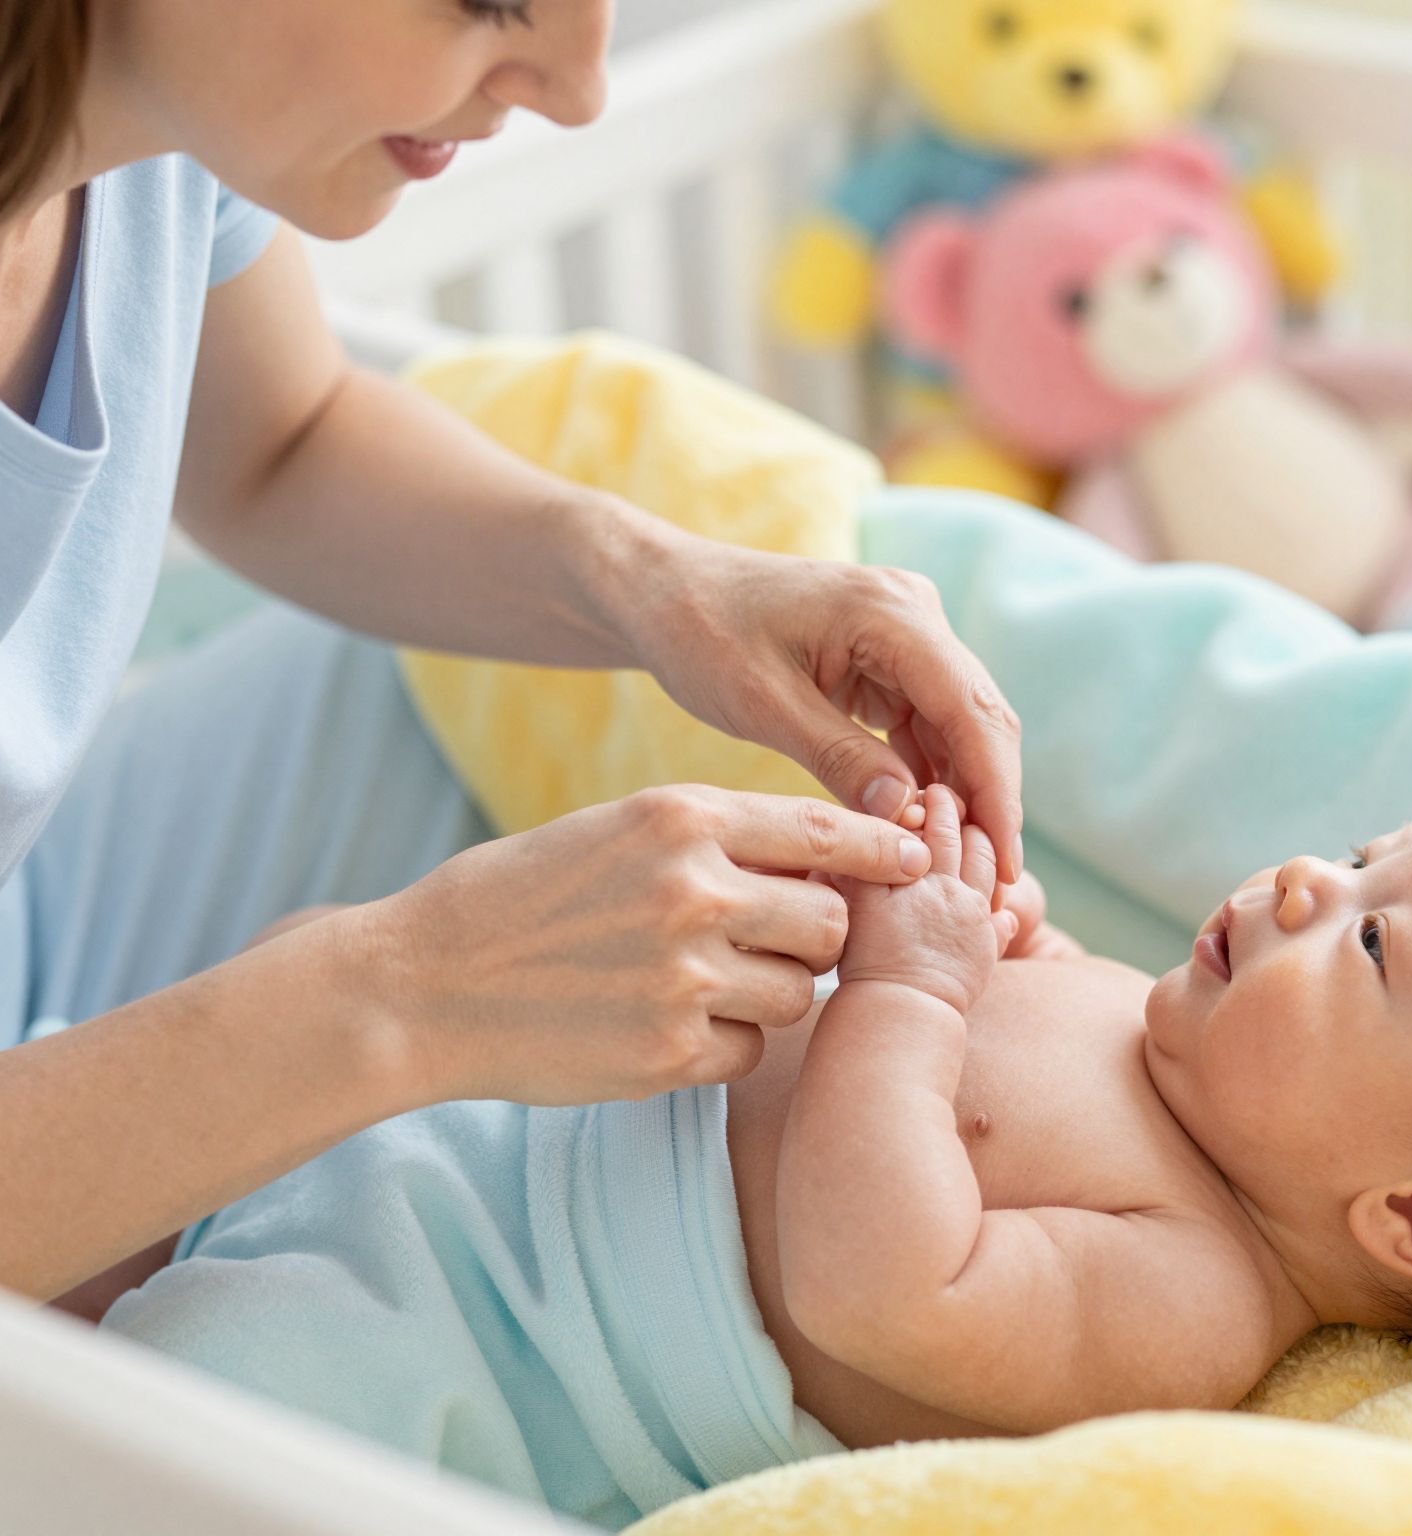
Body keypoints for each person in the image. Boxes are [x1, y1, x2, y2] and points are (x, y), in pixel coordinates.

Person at [0, 0, 1023, 1312]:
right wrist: (407, 995)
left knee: (404, 702)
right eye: (489, 0)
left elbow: (282, 442)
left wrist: (659, 587)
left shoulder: (154, 137)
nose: (580, 93)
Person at [101, 797, 1412, 1526]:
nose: (1314, 888)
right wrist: (983, 934)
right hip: (469, 1135)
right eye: (1362, 855)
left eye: (1385, 948)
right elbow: (968, 1019)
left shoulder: (1188, 1293)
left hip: (487, 1336)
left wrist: (916, 998)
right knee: (115, 1199)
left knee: (153, 1414)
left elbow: (889, 1278)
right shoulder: (1167, 1037)